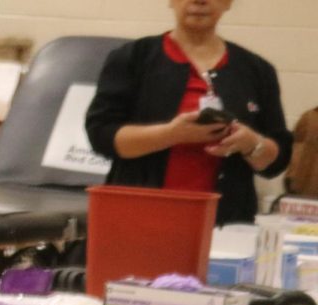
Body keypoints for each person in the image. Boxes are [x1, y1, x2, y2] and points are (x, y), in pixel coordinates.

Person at [85, 0, 292, 225]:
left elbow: (276, 162)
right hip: (139, 218)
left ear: (228, 3)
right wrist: (172, 134)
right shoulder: (132, 58)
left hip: (226, 224)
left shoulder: (257, 70)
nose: (199, 1)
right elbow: (101, 136)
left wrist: (251, 143)